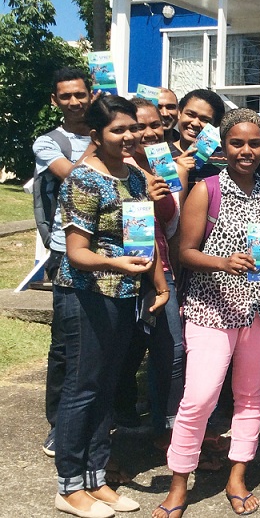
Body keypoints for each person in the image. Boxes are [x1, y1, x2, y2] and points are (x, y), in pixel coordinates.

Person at [154, 108, 260, 518]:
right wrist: (223, 262)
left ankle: (237, 475)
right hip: (212, 308)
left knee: (249, 396)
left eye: (253, 143)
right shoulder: (205, 189)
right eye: (237, 143)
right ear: (223, 146)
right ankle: (180, 482)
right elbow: (185, 252)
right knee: (199, 397)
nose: (246, 151)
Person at [53, 95, 170, 518]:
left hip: (125, 295)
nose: (130, 137)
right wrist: (114, 262)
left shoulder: (136, 177)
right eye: (118, 130)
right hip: (86, 294)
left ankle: (96, 477)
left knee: (107, 386)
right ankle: (68, 486)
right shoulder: (83, 180)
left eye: (132, 129)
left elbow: (144, 235)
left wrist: (157, 282)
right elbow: (76, 252)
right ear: (95, 135)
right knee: (82, 389)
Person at [113, 98, 187, 449]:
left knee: (172, 349)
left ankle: (167, 428)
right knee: (119, 353)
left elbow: (171, 224)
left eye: (153, 124)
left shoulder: (168, 166)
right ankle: (110, 436)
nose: (146, 132)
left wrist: (160, 191)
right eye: (137, 125)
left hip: (159, 266)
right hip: (118, 269)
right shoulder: (115, 163)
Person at [33, 68, 97, 457]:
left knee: (106, 338)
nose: (74, 101)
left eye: (80, 94)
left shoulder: (108, 127)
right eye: (66, 96)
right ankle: (58, 423)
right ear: (55, 100)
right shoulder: (47, 142)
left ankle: (104, 416)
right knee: (65, 342)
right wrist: (96, 144)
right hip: (64, 249)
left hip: (109, 249)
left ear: (91, 94)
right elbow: (75, 180)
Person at [168, 88, 226, 197]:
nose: (195, 123)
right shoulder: (162, 157)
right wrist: (179, 172)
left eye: (204, 120)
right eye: (190, 114)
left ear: (215, 125)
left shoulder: (224, 159)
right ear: (180, 113)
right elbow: (164, 204)